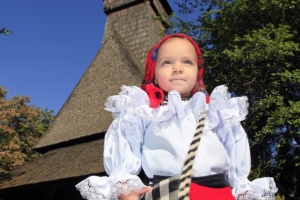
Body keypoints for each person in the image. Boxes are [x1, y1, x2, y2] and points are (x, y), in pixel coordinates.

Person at [76, 33, 278, 200]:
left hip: (218, 193)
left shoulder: (217, 112)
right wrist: (126, 191)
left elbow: (234, 151)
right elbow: (126, 149)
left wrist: (241, 189)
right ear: (153, 73)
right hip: (165, 191)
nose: (178, 68)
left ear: (198, 72)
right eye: (166, 62)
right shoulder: (144, 111)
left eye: (187, 62)